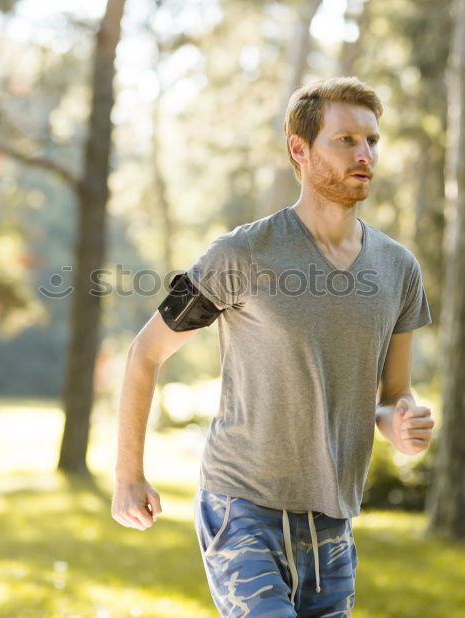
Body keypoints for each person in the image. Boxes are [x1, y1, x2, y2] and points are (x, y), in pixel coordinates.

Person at [111, 76, 436, 617]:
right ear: (299, 149)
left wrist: (399, 423)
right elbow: (145, 354)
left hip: (332, 519)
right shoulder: (241, 254)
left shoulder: (398, 268)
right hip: (242, 506)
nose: (365, 154)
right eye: (346, 140)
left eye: (372, 141)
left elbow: (392, 393)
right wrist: (128, 477)